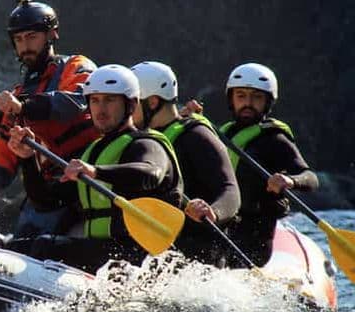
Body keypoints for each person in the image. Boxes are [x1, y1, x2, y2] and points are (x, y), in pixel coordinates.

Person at [5, 64, 183, 274]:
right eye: (95, 100)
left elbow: (150, 173)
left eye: (110, 100)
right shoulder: (95, 151)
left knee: (44, 245)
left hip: (137, 255)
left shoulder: (146, 144)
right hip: (101, 253)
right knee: (11, 246)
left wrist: (96, 172)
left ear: (131, 105)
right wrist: (28, 158)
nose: (101, 108)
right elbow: (46, 201)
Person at [0, 0, 99, 237]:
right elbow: (2, 158)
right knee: (20, 236)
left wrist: (24, 107)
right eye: (19, 40)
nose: (25, 46)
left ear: (51, 35)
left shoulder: (76, 66)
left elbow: (75, 102)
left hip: (86, 181)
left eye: (32, 37)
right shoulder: (19, 93)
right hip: (46, 191)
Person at [130, 61, 240, 265]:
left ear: (152, 102)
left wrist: (213, 211)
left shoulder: (197, 135)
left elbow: (230, 191)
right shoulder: (142, 141)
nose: (127, 110)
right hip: (158, 248)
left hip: (199, 253)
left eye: (132, 104)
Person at [218, 63, 318, 266]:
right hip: (223, 225)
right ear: (231, 99)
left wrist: (290, 180)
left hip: (254, 234)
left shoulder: (275, 140)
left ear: (267, 102)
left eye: (256, 97)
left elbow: (310, 178)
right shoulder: (223, 133)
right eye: (241, 96)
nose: (248, 103)